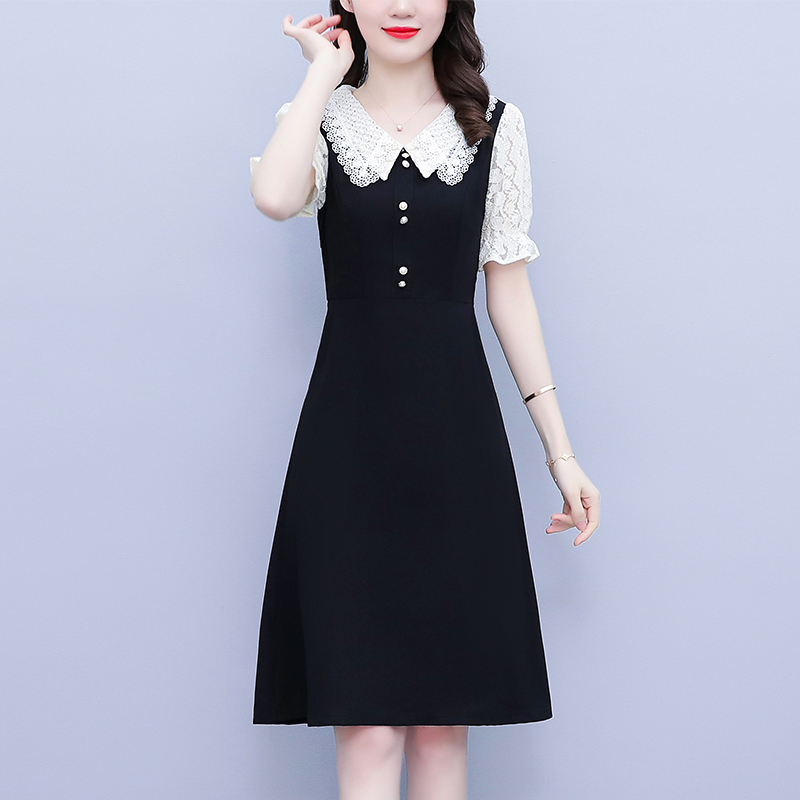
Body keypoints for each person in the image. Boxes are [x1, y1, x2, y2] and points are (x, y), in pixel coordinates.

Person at [248, 2, 601, 798]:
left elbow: (509, 293)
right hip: (346, 447)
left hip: (456, 446)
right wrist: (322, 76)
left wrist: (562, 454)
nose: (402, 6)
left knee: (444, 725)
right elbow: (273, 197)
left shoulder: (494, 125)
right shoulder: (320, 118)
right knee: (366, 725)